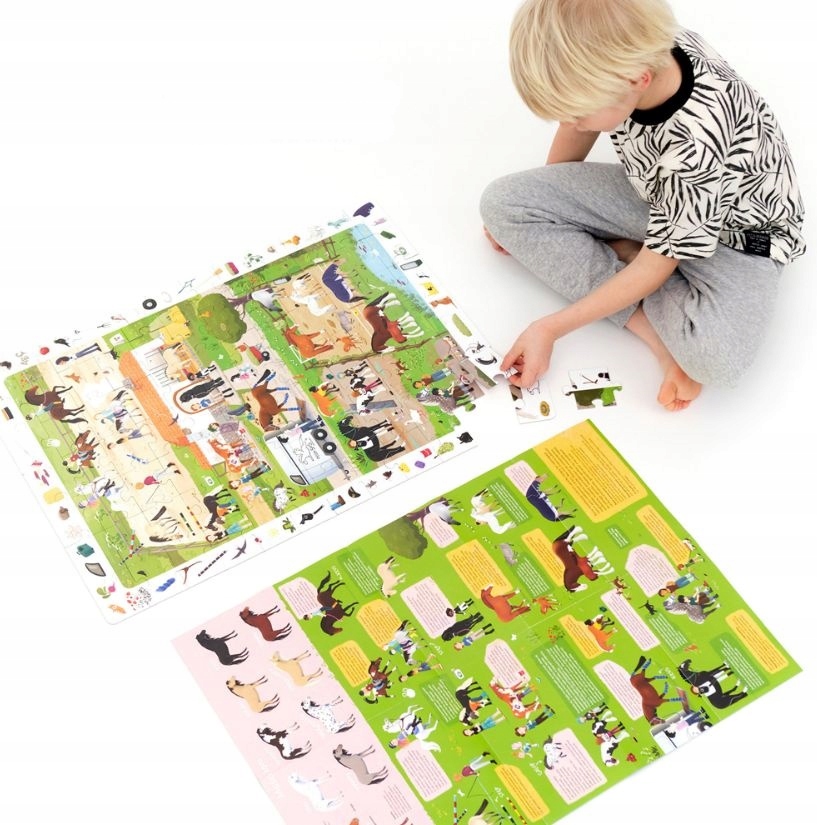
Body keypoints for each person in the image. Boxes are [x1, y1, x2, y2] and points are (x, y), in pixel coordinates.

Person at [480, 0, 805, 411]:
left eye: (579, 114)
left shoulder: (694, 149)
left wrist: (550, 328)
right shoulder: (640, 47)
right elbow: (573, 132)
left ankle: (635, 262)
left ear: (637, 80)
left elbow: (659, 262)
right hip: (658, 198)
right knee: (502, 203)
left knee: (717, 362)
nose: (573, 124)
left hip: (739, 239)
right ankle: (645, 299)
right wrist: (549, 199)